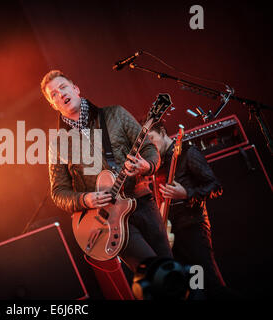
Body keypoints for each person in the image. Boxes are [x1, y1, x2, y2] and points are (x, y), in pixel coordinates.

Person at [40, 70, 173, 273]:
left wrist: (147, 166)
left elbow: (148, 148)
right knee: (155, 273)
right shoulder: (57, 145)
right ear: (53, 105)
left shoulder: (115, 114)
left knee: (171, 271)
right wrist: (86, 200)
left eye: (63, 87)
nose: (60, 94)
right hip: (107, 220)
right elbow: (58, 193)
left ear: (75, 89)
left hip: (142, 203)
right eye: (54, 95)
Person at [147, 122, 231, 299]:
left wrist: (187, 194)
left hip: (193, 229)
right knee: (195, 289)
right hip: (173, 237)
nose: (150, 146)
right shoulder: (157, 165)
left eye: (151, 139)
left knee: (209, 284)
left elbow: (215, 186)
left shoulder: (187, 152)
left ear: (162, 132)